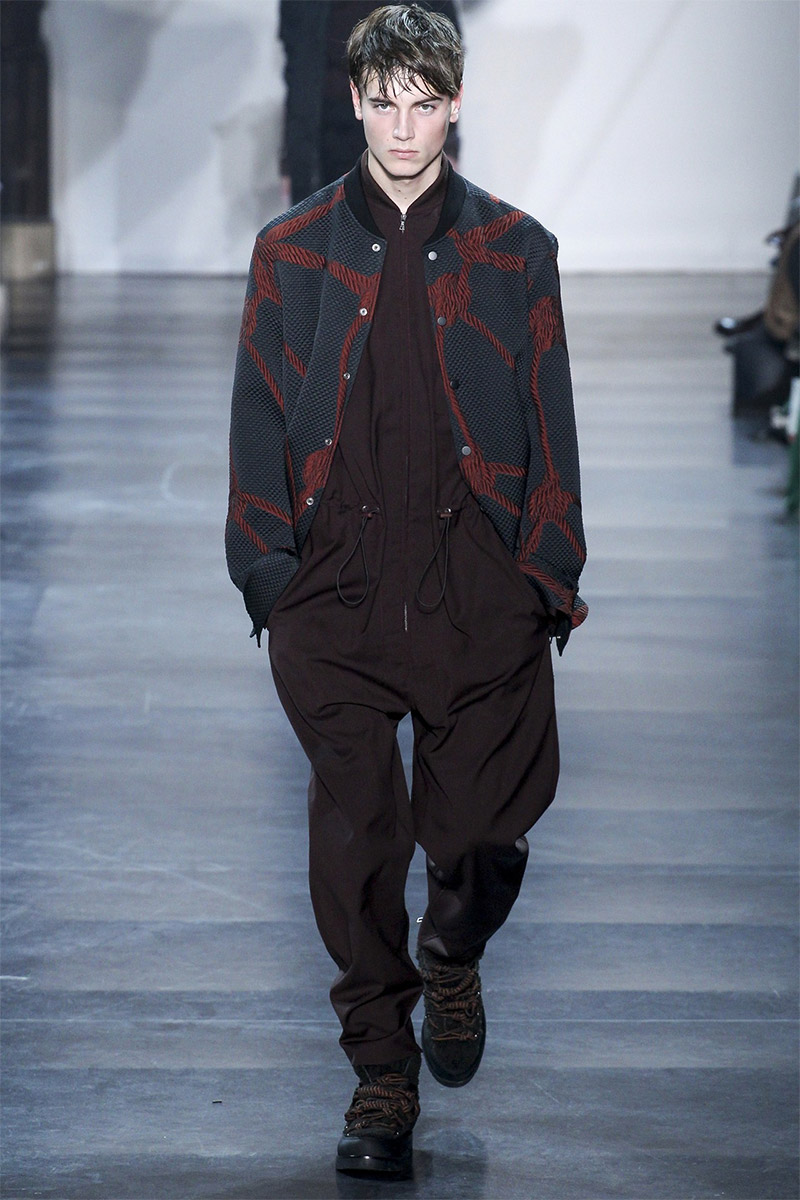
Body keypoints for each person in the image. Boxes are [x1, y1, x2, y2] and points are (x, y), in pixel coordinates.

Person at [226, 3, 587, 1178]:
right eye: (381, 101)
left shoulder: (515, 251)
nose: (399, 126)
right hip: (333, 585)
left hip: (470, 578)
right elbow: (258, 414)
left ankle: (452, 951)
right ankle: (379, 1073)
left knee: (477, 830)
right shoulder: (292, 250)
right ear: (354, 99)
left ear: (453, 103)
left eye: (421, 102)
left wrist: (545, 572)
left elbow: (547, 416)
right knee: (356, 839)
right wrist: (269, 574)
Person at [278, 0, 461, 205]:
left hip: (397, 122)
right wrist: (292, 158)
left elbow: (445, 58)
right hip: (324, 134)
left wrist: (448, 143)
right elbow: (297, 73)